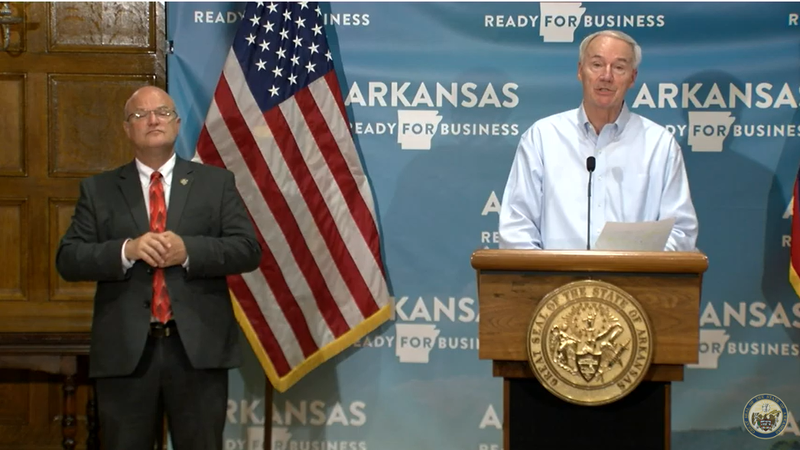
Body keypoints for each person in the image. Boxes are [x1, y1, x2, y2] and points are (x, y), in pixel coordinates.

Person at [55, 86, 262, 450]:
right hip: (125, 353)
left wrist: (188, 251)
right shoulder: (98, 190)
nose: (152, 120)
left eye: (162, 112)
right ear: (126, 129)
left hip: (197, 350)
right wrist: (126, 249)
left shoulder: (216, 183)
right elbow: (68, 259)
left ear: (177, 124)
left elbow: (247, 250)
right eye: (140, 115)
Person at [497, 30, 698, 251]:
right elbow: (516, 226)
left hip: (633, 284)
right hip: (555, 284)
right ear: (580, 71)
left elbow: (681, 232)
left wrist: (637, 274)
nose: (606, 76)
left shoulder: (659, 144)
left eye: (619, 67)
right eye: (597, 65)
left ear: (632, 78)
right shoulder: (543, 137)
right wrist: (550, 280)